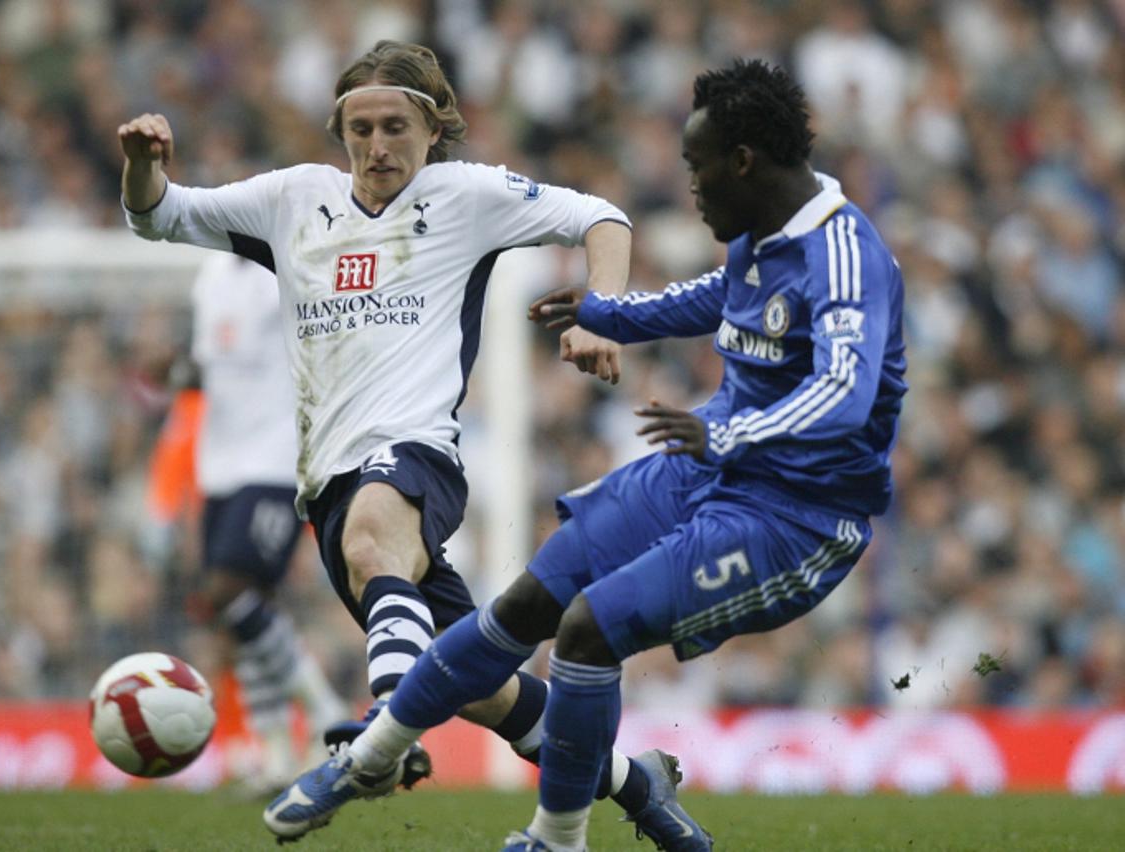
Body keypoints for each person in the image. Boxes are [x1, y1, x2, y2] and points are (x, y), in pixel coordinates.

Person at [266, 58, 907, 852]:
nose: (691, 186)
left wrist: (730, 433)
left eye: (696, 167)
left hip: (796, 515)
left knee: (588, 629)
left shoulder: (845, 257)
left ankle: (557, 840)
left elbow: (846, 391)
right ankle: (369, 757)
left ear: (742, 161)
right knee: (529, 601)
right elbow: (715, 300)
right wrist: (608, 312)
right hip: (706, 468)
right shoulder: (760, 234)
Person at [120, 40, 700, 845]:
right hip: (326, 480)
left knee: (372, 539)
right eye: (359, 129)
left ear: (434, 129)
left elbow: (601, 216)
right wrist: (142, 164)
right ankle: (642, 788)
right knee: (479, 688)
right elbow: (160, 216)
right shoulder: (293, 201)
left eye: (395, 126)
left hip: (416, 455)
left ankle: (382, 736)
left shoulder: (466, 196)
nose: (376, 146)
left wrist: (601, 312)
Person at [147, 252, 350, 794]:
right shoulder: (211, 273)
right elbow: (209, 361)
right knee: (246, 612)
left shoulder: (285, 271)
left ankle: (327, 712)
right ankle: (280, 748)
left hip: (275, 460)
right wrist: (176, 370)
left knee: (227, 592)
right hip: (220, 465)